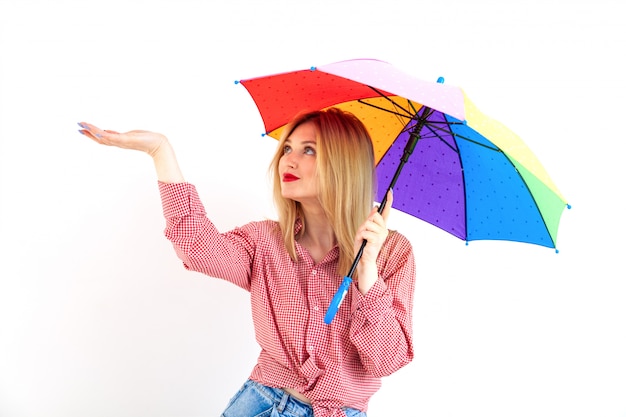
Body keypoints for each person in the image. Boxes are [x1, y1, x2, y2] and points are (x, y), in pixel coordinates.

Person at [78, 107, 416, 417]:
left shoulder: (392, 252)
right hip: (259, 404)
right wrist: (160, 151)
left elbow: (386, 360)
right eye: (287, 148)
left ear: (343, 164)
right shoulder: (265, 241)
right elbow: (197, 247)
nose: (289, 160)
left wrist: (367, 270)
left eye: (308, 150)